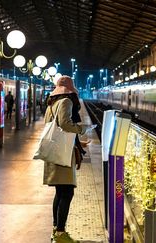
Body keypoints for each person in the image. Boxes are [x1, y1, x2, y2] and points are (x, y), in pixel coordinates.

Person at [43, 76, 93, 243]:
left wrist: (79, 143)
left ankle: (56, 229)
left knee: (60, 192)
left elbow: (54, 127)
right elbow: (65, 124)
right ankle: (60, 233)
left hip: (55, 151)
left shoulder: (51, 104)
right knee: (67, 192)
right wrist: (82, 129)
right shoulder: (66, 101)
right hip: (62, 154)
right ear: (71, 89)